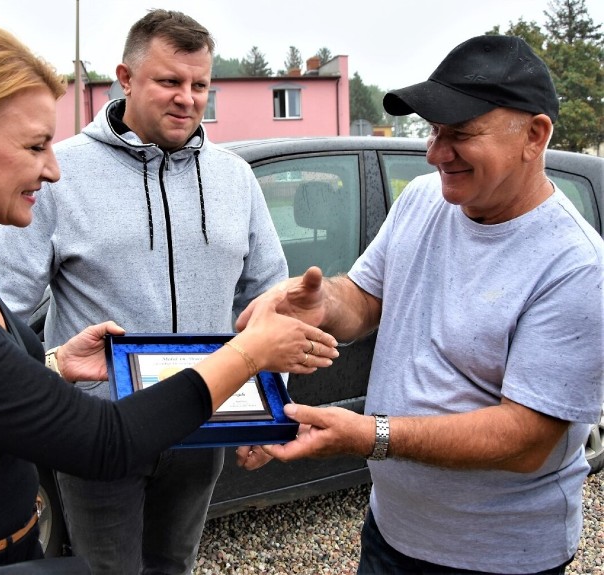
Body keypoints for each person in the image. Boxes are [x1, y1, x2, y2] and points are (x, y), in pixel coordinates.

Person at [0, 21, 339, 575]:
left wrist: (52, 364)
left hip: (161, 450)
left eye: (200, 85)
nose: (53, 168)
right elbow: (101, 442)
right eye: (36, 145)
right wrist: (250, 354)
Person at [237, 35, 604, 574]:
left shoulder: (577, 268)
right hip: (390, 532)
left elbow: (526, 440)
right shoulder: (422, 200)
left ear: (534, 134)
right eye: (434, 132)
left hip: (499, 558)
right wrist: (323, 305)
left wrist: (370, 434)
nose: (434, 153)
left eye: (460, 134)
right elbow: (364, 299)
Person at [0, 9, 289, 575]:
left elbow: (269, 294)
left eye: (200, 85)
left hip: (205, 424)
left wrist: (272, 406)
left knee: (174, 565)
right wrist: (34, 403)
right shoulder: (60, 173)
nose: (187, 98)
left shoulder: (234, 177)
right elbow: (0, 306)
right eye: (169, 81)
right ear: (125, 78)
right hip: (98, 435)